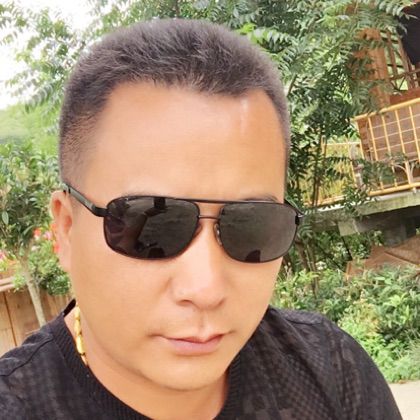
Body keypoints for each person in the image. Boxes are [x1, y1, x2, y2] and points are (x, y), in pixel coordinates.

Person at [0, 19, 402, 420]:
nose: (205, 289)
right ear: (66, 231)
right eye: (152, 227)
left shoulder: (332, 373)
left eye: (251, 226)